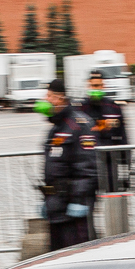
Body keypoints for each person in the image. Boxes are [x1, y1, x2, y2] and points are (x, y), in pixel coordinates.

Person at [38, 80, 97, 250]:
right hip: (56, 205)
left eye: (48, 96)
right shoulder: (56, 127)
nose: (45, 99)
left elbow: (88, 166)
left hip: (72, 206)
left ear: (59, 98)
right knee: (56, 257)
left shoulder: (78, 125)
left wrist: (79, 200)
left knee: (76, 255)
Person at [85, 70, 128, 193]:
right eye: (93, 86)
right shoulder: (80, 107)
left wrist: (126, 164)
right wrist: (103, 124)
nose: (96, 89)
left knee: (112, 195)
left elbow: (123, 135)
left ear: (104, 86)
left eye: (98, 86)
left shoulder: (114, 107)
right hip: (88, 161)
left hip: (110, 161)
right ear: (88, 86)